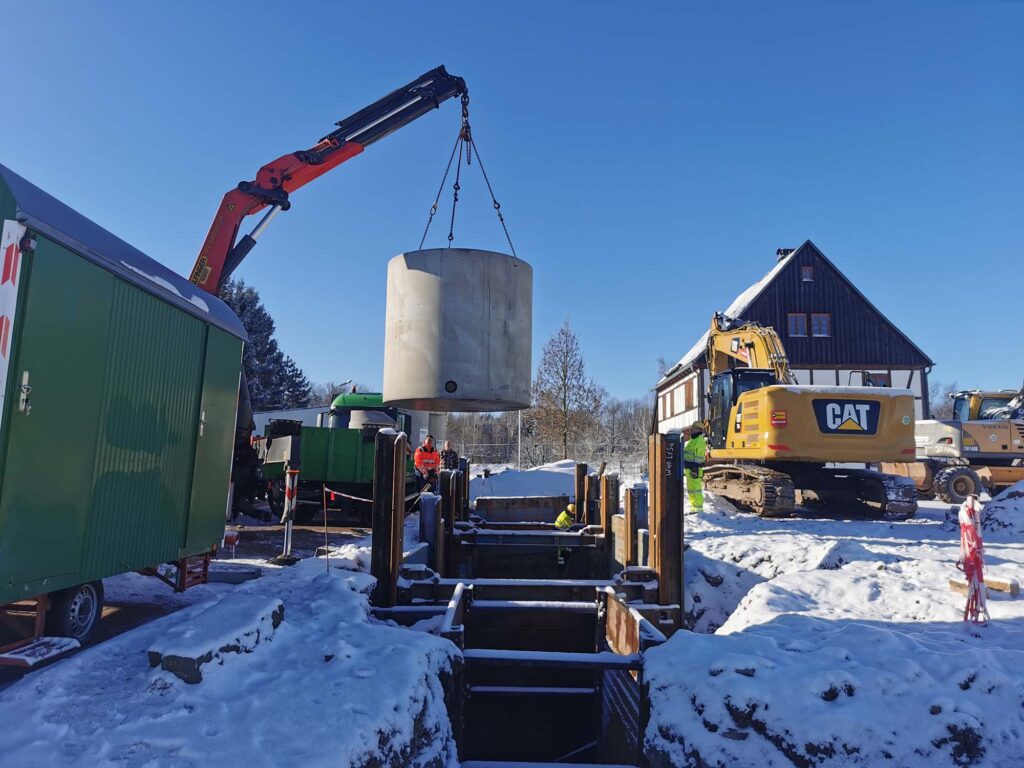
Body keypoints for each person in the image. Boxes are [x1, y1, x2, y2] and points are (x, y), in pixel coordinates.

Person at [683, 422, 707, 514]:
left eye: (693, 428)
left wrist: (695, 468)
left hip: (694, 469)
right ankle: (693, 508)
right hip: (689, 468)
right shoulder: (693, 440)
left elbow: (699, 456)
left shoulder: (699, 440)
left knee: (696, 490)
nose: (691, 429)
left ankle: (699, 509)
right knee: (691, 490)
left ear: (698, 429)